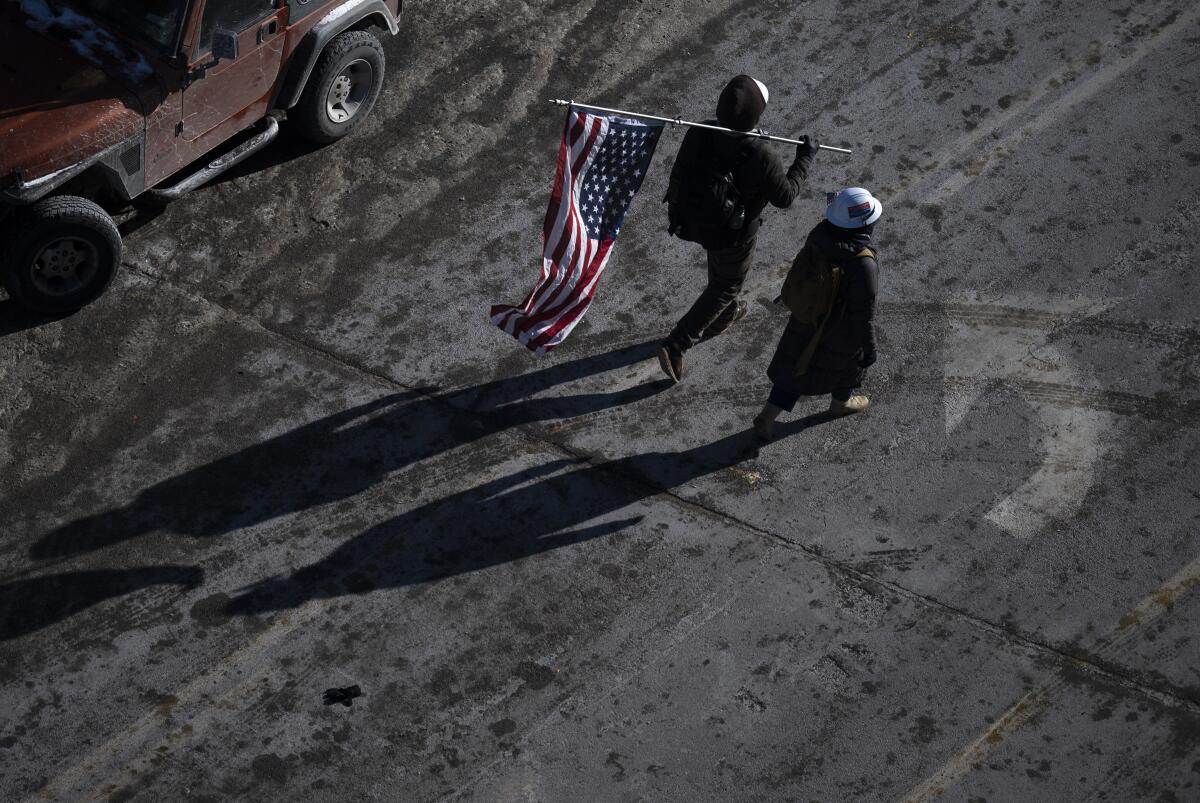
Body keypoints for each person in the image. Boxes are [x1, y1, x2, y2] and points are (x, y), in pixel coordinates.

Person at [657, 75, 818, 383]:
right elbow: (784, 196)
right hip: (734, 232)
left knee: (722, 275)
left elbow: (680, 172)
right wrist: (804, 160)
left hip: (696, 220)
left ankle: (723, 316)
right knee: (726, 284)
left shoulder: (701, 130)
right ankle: (677, 343)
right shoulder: (760, 154)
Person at [753, 187, 883, 441]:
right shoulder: (863, 263)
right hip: (839, 331)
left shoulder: (820, 234)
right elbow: (863, 312)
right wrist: (870, 347)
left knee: (795, 367)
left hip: (807, 316)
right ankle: (841, 403)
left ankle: (768, 415)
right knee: (851, 365)